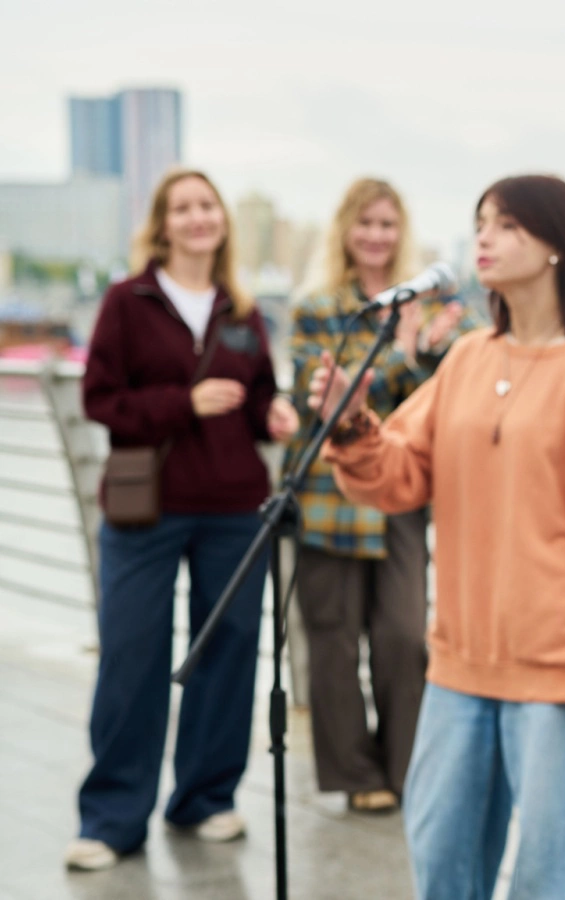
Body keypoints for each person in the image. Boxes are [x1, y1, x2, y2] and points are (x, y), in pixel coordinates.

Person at [310, 174, 565, 899]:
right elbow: (395, 475)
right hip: (458, 666)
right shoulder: (466, 358)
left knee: (557, 878)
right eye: (480, 223)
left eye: (506, 225)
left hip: (558, 672)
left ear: (557, 245)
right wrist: (349, 423)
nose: (484, 238)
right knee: (441, 864)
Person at [68, 169, 300, 871]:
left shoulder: (242, 308)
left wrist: (275, 414)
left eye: (208, 206)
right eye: (183, 208)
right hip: (147, 509)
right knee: (132, 654)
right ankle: (111, 818)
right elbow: (99, 401)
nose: (198, 218)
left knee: (227, 654)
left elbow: (256, 394)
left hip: (234, 508)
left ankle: (205, 797)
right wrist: (182, 404)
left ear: (223, 220)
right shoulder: (127, 302)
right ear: (162, 225)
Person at [285, 178, 475, 814]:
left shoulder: (436, 304)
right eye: (364, 223)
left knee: (402, 635)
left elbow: (456, 383)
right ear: (344, 231)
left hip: (399, 494)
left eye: (388, 224)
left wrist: (427, 348)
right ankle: (354, 774)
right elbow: (333, 399)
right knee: (332, 640)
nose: (376, 236)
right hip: (328, 495)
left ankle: (409, 766)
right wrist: (403, 352)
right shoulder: (318, 308)